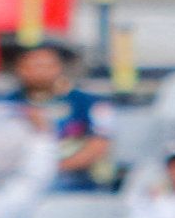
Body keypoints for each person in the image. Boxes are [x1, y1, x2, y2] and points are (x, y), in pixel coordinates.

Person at [7, 42, 114, 192]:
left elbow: (99, 145)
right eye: (32, 66)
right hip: (17, 176)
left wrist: (52, 169)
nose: (40, 72)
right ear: (20, 69)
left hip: (73, 178)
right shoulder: (7, 104)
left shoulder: (88, 103)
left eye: (46, 66)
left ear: (58, 68)